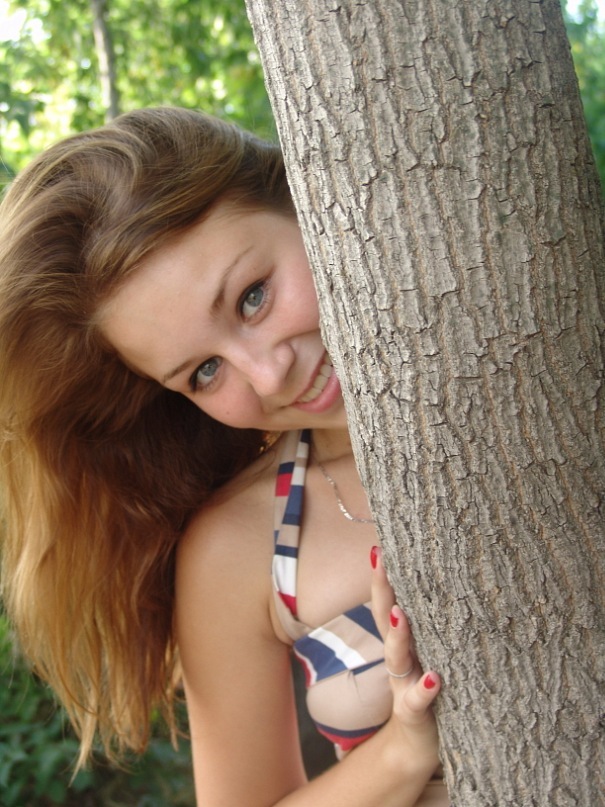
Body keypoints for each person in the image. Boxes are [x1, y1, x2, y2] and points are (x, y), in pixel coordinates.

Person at [0, 107, 449, 806]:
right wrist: (402, 751)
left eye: (253, 297)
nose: (268, 376)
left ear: (301, 202)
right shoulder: (239, 545)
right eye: (203, 372)